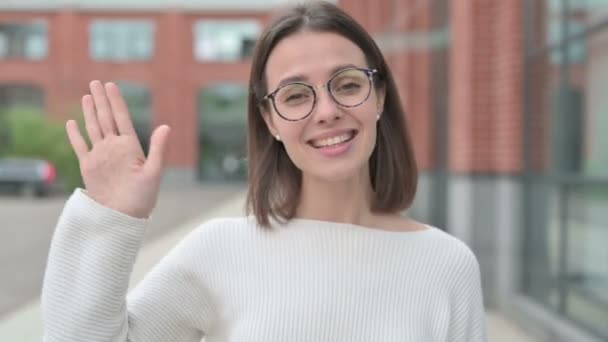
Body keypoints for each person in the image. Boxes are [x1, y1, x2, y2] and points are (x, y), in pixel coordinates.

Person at [41, 1, 487, 341]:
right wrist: (110, 218)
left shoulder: (446, 265)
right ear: (270, 121)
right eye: (296, 95)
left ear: (380, 97)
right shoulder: (219, 250)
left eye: (348, 85)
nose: (327, 111)